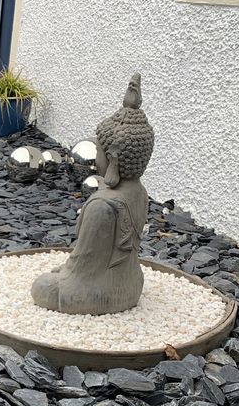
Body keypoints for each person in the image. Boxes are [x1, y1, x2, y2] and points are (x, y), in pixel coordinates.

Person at [31, 73, 154, 315]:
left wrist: (66, 273)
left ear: (113, 158)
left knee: (42, 287)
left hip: (96, 293)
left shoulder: (102, 205)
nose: (96, 157)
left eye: (99, 150)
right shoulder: (139, 193)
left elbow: (83, 262)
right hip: (132, 285)